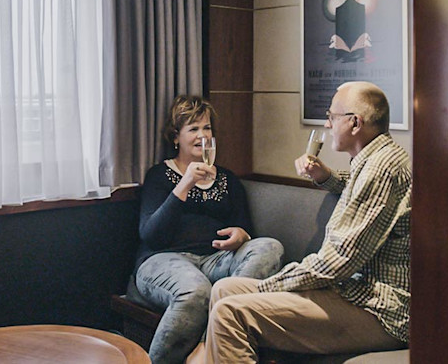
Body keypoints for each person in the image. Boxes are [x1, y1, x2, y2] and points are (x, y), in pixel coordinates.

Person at [202, 81, 411, 363]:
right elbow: (358, 190)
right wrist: (326, 177)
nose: (327, 123)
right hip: (354, 292)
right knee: (224, 288)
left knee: (230, 313)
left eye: (331, 117)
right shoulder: (374, 158)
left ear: (354, 123)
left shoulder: (380, 168)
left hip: (380, 308)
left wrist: (273, 284)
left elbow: (338, 262)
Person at [135, 95, 284, 364]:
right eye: (193, 129)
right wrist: (185, 184)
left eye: (207, 128)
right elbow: (151, 235)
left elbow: (246, 229)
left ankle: (207, 346)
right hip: (164, 261)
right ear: (176, 137)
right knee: (197, 290)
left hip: (216, 260)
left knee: (270, 247)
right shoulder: (159, 175)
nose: (202, 135)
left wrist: (242, 236)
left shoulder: (227, 179)